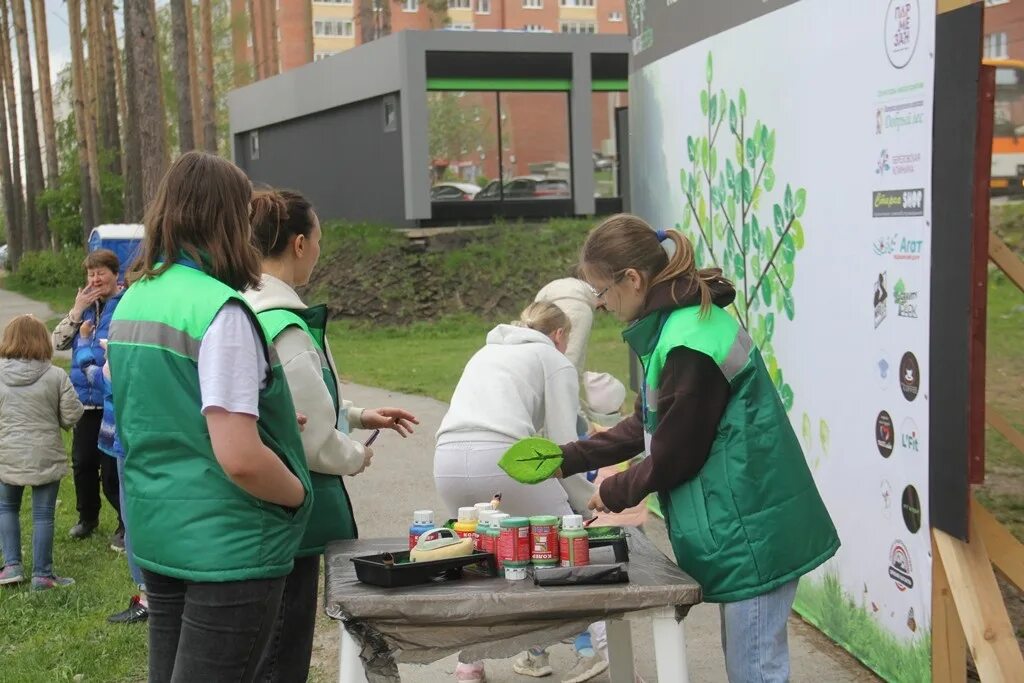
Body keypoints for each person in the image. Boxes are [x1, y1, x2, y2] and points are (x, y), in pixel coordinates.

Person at [553, 214, 840, 683]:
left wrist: (616, 490)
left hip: (754, 526)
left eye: (602, 292)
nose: (601, 305)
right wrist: (574, 456)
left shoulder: (689, 341)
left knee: (756, 669)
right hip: (747, 520)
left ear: (633, 279)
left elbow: (676, 452)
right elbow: (653, 424)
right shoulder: (678, 328)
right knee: (751, 663)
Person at [107, 151, 313, 683]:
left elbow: (161, 413)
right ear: (226, 220)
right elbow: (240, 457)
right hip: (230, 547)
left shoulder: (134, 300)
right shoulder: (221, 311)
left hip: (160, 533)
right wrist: (298, 494)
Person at [245, 188, 419, 682]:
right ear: (299, 244)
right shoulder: (286, 326)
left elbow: (296, 402)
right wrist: (354, 456)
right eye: (318, 239)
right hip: (291, 517)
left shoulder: (246, 308)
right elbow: (310, 436)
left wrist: (360, 415)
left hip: (261, 511)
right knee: (283, 648)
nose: (320, 250)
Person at [435, 301, 602, 683]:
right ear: (559, 335)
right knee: (567, 544)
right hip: (503, 454)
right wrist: (586, 499)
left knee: (482, 559)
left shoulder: (488, 350)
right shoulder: (553, 359)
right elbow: (562, 448)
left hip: (446, 457)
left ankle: (469, 664)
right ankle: (599, 650)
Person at [0, 315, 84, 590]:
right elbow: (72, 415)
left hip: (7, 454)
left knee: (6, 508)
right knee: (43, 514)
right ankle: (42, 575)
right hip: (45, 454)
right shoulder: (55, 375)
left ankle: (12, 565)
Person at [52, 249, 125, 547]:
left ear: (114, 275)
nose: (95, 280)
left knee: (111, 469)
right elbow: (58, 342)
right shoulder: (83, 307)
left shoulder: (125, 304)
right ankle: (87, 518)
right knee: (82, 463)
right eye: (91, 275)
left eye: (101, 274)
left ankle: (124, 523)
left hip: (112, 399)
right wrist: (76, 310)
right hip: (84, 400)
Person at [97, 338, 149, 624]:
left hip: (130, 439)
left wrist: (107, 362)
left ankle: (147, 598)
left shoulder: (129, 320)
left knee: (134, 519)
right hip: (142, 436)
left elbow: (111, 387)